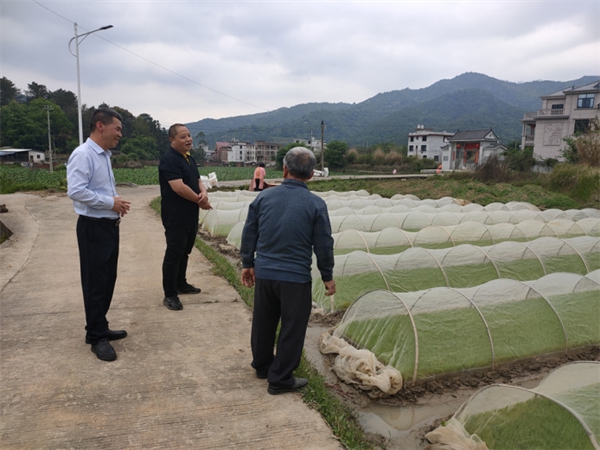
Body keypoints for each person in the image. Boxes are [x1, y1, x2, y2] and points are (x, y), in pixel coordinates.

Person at [240, 147, 336, 395]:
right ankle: (280, 378)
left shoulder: (264, 198)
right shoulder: (316, 204)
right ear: (311, 175)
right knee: (292, 327)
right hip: (295, 278)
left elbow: (249, 232)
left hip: (265, 274)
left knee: (263, 322)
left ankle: (263, 366)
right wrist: (327, 276)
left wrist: (247, 263)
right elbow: (323, 244)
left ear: (284, 170)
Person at [67, 108, 131, 362]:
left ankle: (99, 326)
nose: (120, 134)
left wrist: (114, 205)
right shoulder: (83, 154)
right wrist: (110, 203)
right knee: (95, 283)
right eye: (117, 129)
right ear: (100, 125)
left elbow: (101, 189)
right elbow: (76, 191)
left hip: (108, 226)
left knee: (107, 280)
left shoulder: (104, 155)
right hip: (93, 227)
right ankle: (96, 337)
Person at [159, 124, 211, 311]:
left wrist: (203, 193)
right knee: (174, 253)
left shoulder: (189, 158)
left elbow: (197, 180)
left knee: (185, 251)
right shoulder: (169, 160)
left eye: (189, 135)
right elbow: (178, 187)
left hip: (190, 213)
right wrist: (200, 201)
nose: (188, 139)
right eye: (183, 137)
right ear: (172, 140)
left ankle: (181, 283)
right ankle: (170, 294)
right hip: (175, 214)